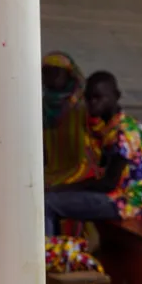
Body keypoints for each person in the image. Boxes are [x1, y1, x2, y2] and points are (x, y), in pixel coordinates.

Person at [44, 71, 142, 231]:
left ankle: (48, 254)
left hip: (127, 202)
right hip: (125, 197)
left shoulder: (122, 132)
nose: (92, 103)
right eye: (88, 98)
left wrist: (61, 188)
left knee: (48, 202)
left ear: (116, 96)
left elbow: (108, 183)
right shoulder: (114, 125)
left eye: (98, 97)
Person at [41, 51, 100, 189]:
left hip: (79, 168)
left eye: (57, 72)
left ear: (69, 75)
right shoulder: (41, 105)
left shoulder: (83, 104)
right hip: (51, 169)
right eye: (47, 72)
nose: (52, 77)